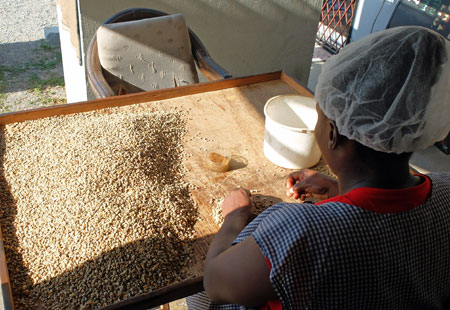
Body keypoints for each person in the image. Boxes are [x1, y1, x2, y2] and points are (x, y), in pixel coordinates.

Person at [196, 26, 450, 309]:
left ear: (332, 134)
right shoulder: (446, 188)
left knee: (196, 295)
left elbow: (216, 283)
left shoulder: (303, 229)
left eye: (319, 115)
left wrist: (234, 216)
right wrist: (339, 191)